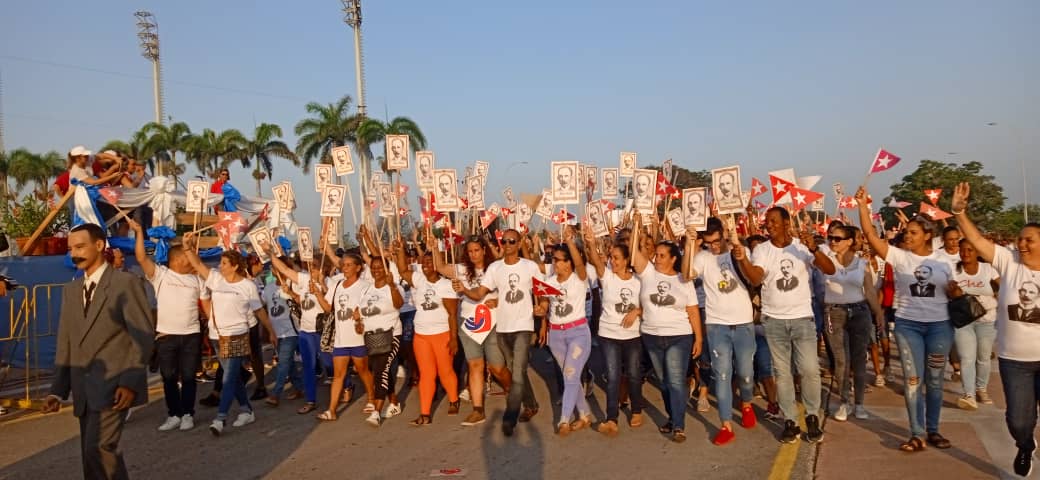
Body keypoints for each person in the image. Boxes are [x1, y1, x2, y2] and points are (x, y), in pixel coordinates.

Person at [43, 223, 154, 479]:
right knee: (90, 454)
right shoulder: (71, 291)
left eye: (80, 246)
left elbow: (143, 336)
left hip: (115, 386)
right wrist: (57, 392)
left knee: (100, 448)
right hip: (84, 389)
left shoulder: (125, 283)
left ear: (100, 245)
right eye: (71, 248)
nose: (74, 253)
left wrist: (130, 383)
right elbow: (66, 343)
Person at [950, 182, 1040, 475]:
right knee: (1018, 421)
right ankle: (1025, 444)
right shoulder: (1009, 262)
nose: (1022, 245)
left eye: (1030, 240)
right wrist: (960, 213)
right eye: (1020, 239)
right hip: (1015, 361)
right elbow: (976, 240)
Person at [856, 186, 954, 453]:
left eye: (913, 233)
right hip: (908, 326)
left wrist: (956, 290)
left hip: (939, 328)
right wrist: (862, 206)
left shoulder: (944, 260)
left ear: (927, 235)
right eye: (906, 232)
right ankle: (917, 433)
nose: (907, 236)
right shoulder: (898, 257)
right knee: (913, 380)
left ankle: (933, 430)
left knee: (934, 380)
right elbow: (869, 235)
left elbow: (954, 291)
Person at [735, 206, 835, 444]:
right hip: (774, 320)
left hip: (802, 318)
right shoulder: (761, 250)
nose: (768, 225)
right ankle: (790, 420)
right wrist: (743, 260)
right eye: (767, 221)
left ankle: (811, 416)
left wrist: (814, 249)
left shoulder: (802, 247)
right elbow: (756, 278)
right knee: (783, 373)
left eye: (773, 221)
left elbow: (830, 269)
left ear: (787, 223)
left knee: (809, 370)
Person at [182, 235, 276, 436]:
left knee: (227, 378)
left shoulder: (247, 286)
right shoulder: (216, 279)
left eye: (224, 263)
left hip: (237, 335)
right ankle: (246, 409)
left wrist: (270, 330)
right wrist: (188, 248)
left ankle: (220, 418)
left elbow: (259, 311)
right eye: (220, 263)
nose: (220, 266)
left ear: (234, 266)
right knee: (233, 378)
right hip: (217, 336)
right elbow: (197, 264)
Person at [456, 229, 547, 437]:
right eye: (504, 241)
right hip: (503, 328)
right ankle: (531, 404)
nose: (507, 244)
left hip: (524, 326)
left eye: (512, 241)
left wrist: (543, 308)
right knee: (518, 370)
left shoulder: (530, 266)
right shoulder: (495, 268)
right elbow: (480, 293)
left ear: (519, 242)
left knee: (516, 371)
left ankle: (510, 417)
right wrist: (464, 290)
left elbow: (542, 292)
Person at [128, 220, 206, 433]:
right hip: (166, 336)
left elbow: (206, 303)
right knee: (169, 378)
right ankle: (174, 414)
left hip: (191, 334)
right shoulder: (161, 275)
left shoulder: (197, 279)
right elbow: (142, 257)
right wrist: (138, 232)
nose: (191, 262)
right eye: (187, 258)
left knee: (189, 377)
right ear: (178, 260)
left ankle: (188, 413)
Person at [630, 214, 703, 443]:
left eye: (662, 256)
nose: (657, 258)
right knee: (663, 381)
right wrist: (635, 226)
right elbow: (633, 254)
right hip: (651, 336)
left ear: (673, 259)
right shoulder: (648, 273)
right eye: (657, 255)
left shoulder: (684, 279)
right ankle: (673, 417)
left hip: (679, 337)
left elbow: (692, 311)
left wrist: (698, 339)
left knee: (675, 380)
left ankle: (679, 426)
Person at [688, 220, 758, 445]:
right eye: (708, 243)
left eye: (717, 241)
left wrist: (740, 254)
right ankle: (726, 424)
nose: (713, 247)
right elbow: (687, 274)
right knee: (723, 375)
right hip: (717, 326)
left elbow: (754, 277)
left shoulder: (741, 251)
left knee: (746, 374)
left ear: (724, 234)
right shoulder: (703, 257)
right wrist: (691, 245)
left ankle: (746, 403)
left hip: (744, 324)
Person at [438, 238, 511, 426]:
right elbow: (440, 267)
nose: (473, 254)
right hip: (469, 323)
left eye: (477, 250)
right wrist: (434, 246)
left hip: (492, 321)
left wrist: (498, 302)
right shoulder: (462, 269)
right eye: (470, 251)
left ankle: (512, 390)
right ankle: (478, 409)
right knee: (475, 365)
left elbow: (510, 292)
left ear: (484, 250)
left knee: (496, 367)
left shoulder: (496, 268)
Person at [583, 227, 644, 435]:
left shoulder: (639, 281)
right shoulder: (607, 277)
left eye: (617, 258)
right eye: (612, 258)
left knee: (634, 374)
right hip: (609, 335)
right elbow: (597, 262)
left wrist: (636, 311)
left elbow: (650, 305)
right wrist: (591, 243)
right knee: (613, 375)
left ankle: (636, 409)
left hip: (632, 336)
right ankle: (611, 418)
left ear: (627, 260)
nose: (613, 261)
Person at [821, 224, 884, 422]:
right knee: (841, 361)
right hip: (834, 312)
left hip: (859, 312)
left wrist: (879, 313)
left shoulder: (861, 263)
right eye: (830, 237)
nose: (832, 241)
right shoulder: (825, 261)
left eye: (837, 238)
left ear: (849, 242)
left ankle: (859, 404)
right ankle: (844, 401)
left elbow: (870, 290)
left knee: (858, 360)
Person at [395, 243, 460, 425]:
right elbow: (402, 270)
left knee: (445, 371)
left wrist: (454, 339)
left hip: (442, 334)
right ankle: (425, 413)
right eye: (424, 263)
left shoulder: (446, 285)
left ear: (437, 265)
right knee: (426, 374)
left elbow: (452, 314)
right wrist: (400, 250)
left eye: (430, 263)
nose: (426, 266)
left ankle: (454, 399)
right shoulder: (419, 280)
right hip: (421, 336)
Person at [311, 252, 377, 422]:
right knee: (338, 374)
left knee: (362, 370)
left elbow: (370, 309)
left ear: (358, 267)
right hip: (340, 339)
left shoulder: (365, 286)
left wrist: (360, 315)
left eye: (348, 265)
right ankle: (331, 410)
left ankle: (371, 398)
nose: (344, 268)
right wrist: (318, 294)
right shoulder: (338, 284)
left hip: (358, 337)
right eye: (343, 265)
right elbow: (328, 308)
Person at [543, 227, 593, 436]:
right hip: (556, 335)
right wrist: (540, 310)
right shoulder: (549, 281)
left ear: (570, 262)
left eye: (561, 260)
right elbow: (545, 305)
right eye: (554, 259)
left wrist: (571, 241)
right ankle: (584, 414)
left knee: (571, 374)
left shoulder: (579, 278)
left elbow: (580, 264)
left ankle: (563, 419)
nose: (556, 263)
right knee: (569, 376)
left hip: (578, 333)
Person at [267, 254, 330, 415]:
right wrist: (269, 252)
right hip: (305, 331)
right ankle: (311, 400)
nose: (312, 270)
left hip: (321, 330)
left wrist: (321, 286)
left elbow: (329, 308)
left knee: (329, 363)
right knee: (308, 367)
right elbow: (285, 269)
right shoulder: (304, 280)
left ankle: (347, 384)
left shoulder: (330, 283)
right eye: (309, 266)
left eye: (315, 266)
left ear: (323, 268)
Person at [949, 238, 1000, 410]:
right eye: (962, 250)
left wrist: (997, 294)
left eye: (970, 250)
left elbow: (1002, 287)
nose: (966, 253)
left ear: (977, 252)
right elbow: (949, 293)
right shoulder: (954, 270)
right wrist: (953, 290)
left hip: (987, 320)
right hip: (963, 321)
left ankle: (981, 389)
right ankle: (968, 394)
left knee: (984, 358)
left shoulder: (988, 269)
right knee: (967, 357)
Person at [357, 257, 405, 427]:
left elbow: (399, 304)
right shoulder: (367, 290)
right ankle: (394, 403)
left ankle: (377, 411)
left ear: (386, 270)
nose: (376, 270)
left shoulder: (394, 287)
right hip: (372, 339)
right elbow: (360, 312)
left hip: (391, 336)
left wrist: (392, 286)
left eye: (380, 268)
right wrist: (358, 321)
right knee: (379, 370)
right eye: (373, 267)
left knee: (381, 372)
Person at [261, 261, 304, 408]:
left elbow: (302, 302)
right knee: (288, 363)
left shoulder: (293, 284)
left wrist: (290, 293)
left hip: (290, 331)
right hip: (276, 332)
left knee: (283, 362)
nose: (275, 270)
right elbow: (263, 306)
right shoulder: (268, 288)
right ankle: (299, 387)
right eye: (273, 268)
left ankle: (275, 394)